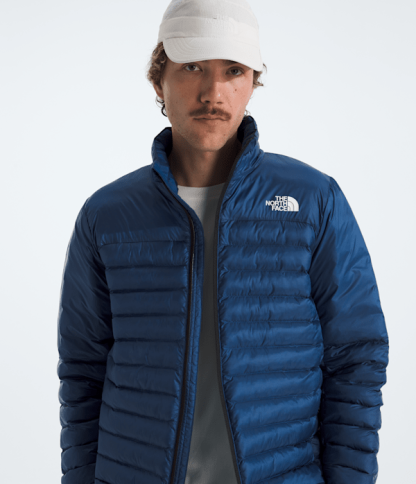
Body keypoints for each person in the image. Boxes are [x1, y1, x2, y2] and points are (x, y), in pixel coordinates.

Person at [56, 1, 389, 483]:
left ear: (253, 83)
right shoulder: (107, 215)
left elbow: (356, 357)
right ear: (158, 80)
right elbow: (83, 370)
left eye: (233, 70)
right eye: (192, 67)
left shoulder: (313, 201)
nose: (213, 92)